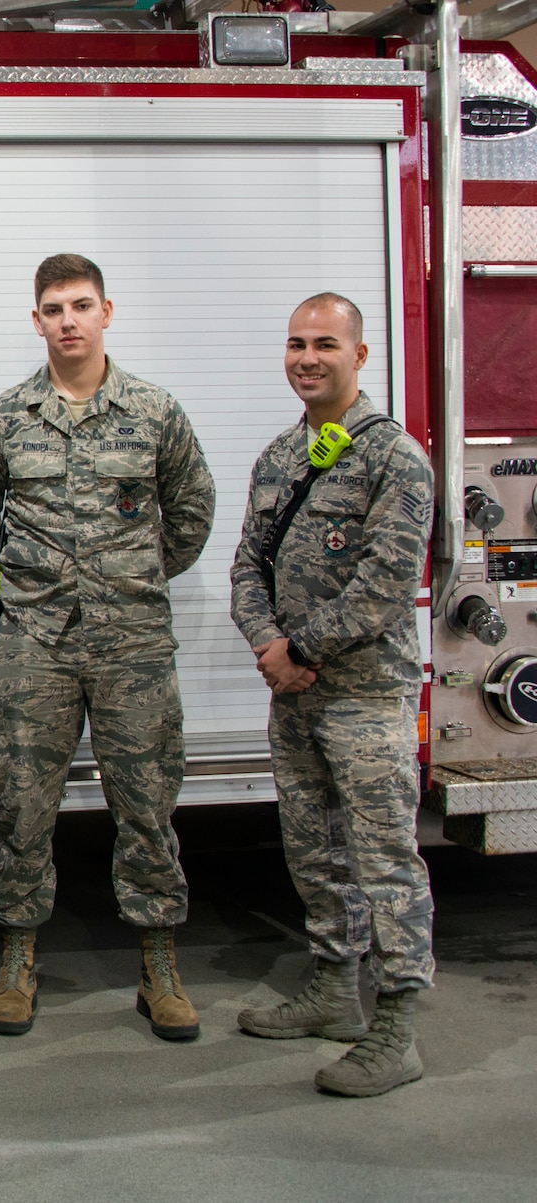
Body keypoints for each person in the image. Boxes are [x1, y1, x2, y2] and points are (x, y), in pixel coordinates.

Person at [0, 253, 216, 1041]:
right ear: (37, 321)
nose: (68, 319)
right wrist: (30, 578)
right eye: (53, 308)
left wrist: (133, 575)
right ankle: (19, 958)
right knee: (24, 806)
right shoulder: (5, 418)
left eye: (81, 305)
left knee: (147, 804)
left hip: (133, 643)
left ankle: (159, 964)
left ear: (106, 312)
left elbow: (191, 509)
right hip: (37, 644)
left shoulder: (154, 412)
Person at [228, 293, 435, 1097]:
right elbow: (249, 565)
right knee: (314, 850)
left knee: (385, 860)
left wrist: (303, 649)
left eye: (324, 344)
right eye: (295, 344)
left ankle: (397, 1026)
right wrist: (268, 646)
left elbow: (388, 579)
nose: (307, 357)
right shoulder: (283, 456)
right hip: (297, 697)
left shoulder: (395, 458)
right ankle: (332, 990)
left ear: (360, 355)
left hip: (367, 697)